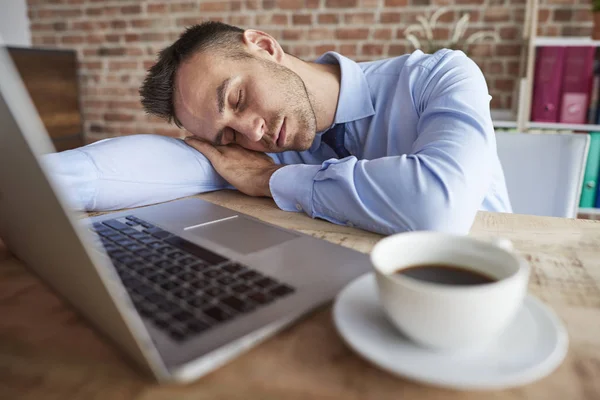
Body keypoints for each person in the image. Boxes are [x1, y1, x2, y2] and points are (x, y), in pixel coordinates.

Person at [44, 21, 512, 235]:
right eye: (226, 135)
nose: (252, 134)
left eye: (237, 98)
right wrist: (29, 183)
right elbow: (158, 165)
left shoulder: (439, 75)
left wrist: (271, 180)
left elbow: (436, 207)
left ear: (264, 46)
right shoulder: (249, 145)